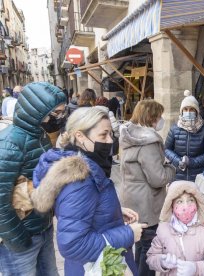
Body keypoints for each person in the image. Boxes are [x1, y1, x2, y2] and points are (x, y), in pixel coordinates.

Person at [30, 107, 146, 276]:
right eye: (103, 135)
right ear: (80, 136)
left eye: (111, 135)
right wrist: (128, 234)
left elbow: (82, 209)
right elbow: (73, 244)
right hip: (94, 267)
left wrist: (113, 212)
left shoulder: (84, 168)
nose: (109, 141)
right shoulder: (81, 180)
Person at [0, 82, 66, 275]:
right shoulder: (9, 144)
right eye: (56, 113)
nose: (60, 118)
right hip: (21, 239)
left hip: (42, 230)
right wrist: (18, 239)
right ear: (37, 112)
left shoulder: (41, 136)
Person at [119, 99, 176, 276]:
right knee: (150, 250)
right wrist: (171, 168)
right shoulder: (148, 142)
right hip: (147, 203)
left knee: (140, 243)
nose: (161, 120)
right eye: (159, 116)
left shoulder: (130, 135)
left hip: (132, 199)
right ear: (151, 117)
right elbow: (158, 178)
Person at [147, 180, 204, 275]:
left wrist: (196, 268)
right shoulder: (163, 230)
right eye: (179, 201)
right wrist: (161, 262)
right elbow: (151, 258)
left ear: (198, 203)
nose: (186, 206)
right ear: (171, 206)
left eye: (190, 200)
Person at [165, 90, 204, 181]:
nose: (188, 112)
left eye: (191, 109)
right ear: (182, 111)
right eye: (185, 109)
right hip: (177, 175)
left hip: (198, 176)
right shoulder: (174, 128)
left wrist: (191, 162)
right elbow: (167, 149)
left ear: (196, 111)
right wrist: (177, 161)